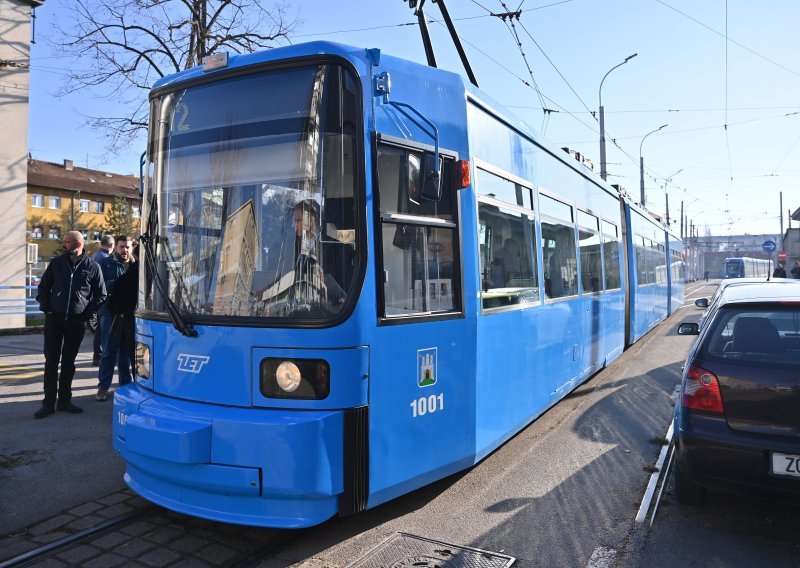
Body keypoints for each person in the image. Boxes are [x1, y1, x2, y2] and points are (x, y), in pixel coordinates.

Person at [34, 231, 106, 418]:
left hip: (76, 322)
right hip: (54, 319)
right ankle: (48, 403)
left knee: (68, 362)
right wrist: (47, 308)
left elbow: (101, 295)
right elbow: (43, 287)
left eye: (66, 242)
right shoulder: (57, 264)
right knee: (51, 361)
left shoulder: (92, 267)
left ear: (77, 244)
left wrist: (86, 314)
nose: (63, 245)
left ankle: (65, 401)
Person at [292, 199, 352, 305]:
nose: (294, 225)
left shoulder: (333, 246)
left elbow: (343, 285)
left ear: (310, 220)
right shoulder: (296, 246)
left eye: (298, 220)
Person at [96, 236, 133, 401]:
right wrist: (120, 282)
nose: (125, 250)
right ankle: (103, 386)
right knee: (109, 352)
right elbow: (99, 286)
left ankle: (125, 386)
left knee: (126, 353)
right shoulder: (106, 264)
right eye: (121, 247)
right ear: (115, 248)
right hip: (110, 313)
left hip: (129, 315)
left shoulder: (135, 265)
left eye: (127, 247)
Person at [107, 244, 139, 374]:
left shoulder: (130, 273)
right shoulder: (150, 271)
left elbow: (114, 302)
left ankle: (129, 382)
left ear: (135, 255)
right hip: (136, 319)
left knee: (130, 355)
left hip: (129, 320)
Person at [90, 235, 115, 365]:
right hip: (102, 297)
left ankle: (97, 355)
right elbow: (103, 281)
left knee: (99, 328)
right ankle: (100, 355)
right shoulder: (105, 259)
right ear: (111, 246)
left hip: (94, 296)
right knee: (102, 329)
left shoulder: (95, 255)